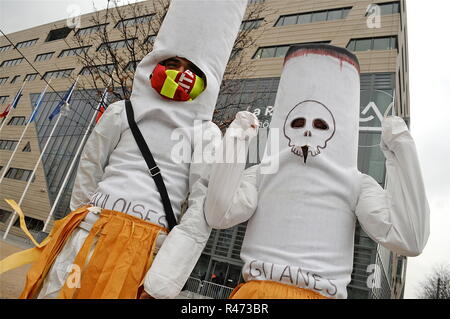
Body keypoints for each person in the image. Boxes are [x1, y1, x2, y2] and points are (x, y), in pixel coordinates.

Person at [0, 0, 247, 299]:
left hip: (144, 247)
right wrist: (83, 216)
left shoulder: (205, 133)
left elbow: (200, 205)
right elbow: (90, 165)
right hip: (90, 230)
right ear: (156, 64)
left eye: (191, 69)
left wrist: (167, 271)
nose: (179, 74)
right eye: (172, 64)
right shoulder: (123, 112)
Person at [204, 44, 430, 299]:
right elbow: (218, 214)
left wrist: (401, 149)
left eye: (321, 125)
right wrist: (235, 141)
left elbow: (409, 239)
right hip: (257, 293)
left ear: (336, 130)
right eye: (298, 122)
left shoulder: (354, 182)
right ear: (286, 125)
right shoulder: (264, 172)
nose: (308, 132)